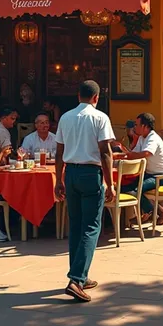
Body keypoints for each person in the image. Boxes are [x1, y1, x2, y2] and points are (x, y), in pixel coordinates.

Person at [55, 80, 115, 303]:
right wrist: (110, 183)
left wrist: (58, 179)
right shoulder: (100, 117)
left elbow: (59, 151)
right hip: (91, 174)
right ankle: (77, 278)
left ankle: (80, 274)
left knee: (77, 225)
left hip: (71, 173)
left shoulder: (65, 117)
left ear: (77, 95)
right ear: (96, 98)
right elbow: (105, 152)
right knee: (91, 227)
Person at [121, 112, 163, 225]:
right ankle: (160, 212)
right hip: (150, 174)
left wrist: (129, 155)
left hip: (162, 176)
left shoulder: (152, 138)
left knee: (136, 190)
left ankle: (150, 213)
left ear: (145, 126)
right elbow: (134, 153)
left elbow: (146, 153)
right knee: (124, 187)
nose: (135, 127)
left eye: (136, 125)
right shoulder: (141, 138)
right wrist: (125, 153)